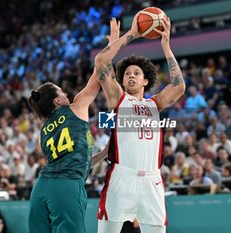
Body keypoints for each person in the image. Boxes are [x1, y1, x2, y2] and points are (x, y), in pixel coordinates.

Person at [95, 13, 185, 233]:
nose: (131, 76)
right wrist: (132, 34)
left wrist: (166, 46)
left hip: (151, 180)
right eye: (127, 74)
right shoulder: (118, 98)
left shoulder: (156, 103)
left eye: (136, 73)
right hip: (121, 176)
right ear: (122, 80)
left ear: (146, 80)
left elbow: (179, 86)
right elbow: (101, 62)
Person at [27, 19, 119, 233]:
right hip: (67, 187)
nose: (66, 94)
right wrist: (114, 42)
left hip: (41, 188)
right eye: (61, 92)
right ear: (57, 100)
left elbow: (74, 161)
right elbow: (99, 72)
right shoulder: (76, 107)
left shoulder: (44, 129)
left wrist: (104, 153)